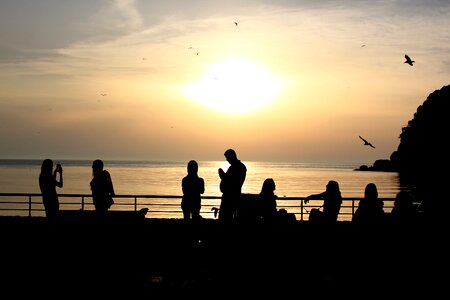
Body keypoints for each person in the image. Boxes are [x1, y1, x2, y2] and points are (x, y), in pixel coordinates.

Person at [218, 148, 247, 222]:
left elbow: (234, 183)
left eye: (227, 158)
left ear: (232, 156)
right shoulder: (233, 167)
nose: (227, 160)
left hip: (231, 198)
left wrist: (223, 176)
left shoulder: (239, 167)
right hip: (228, 197)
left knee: (226, 218)